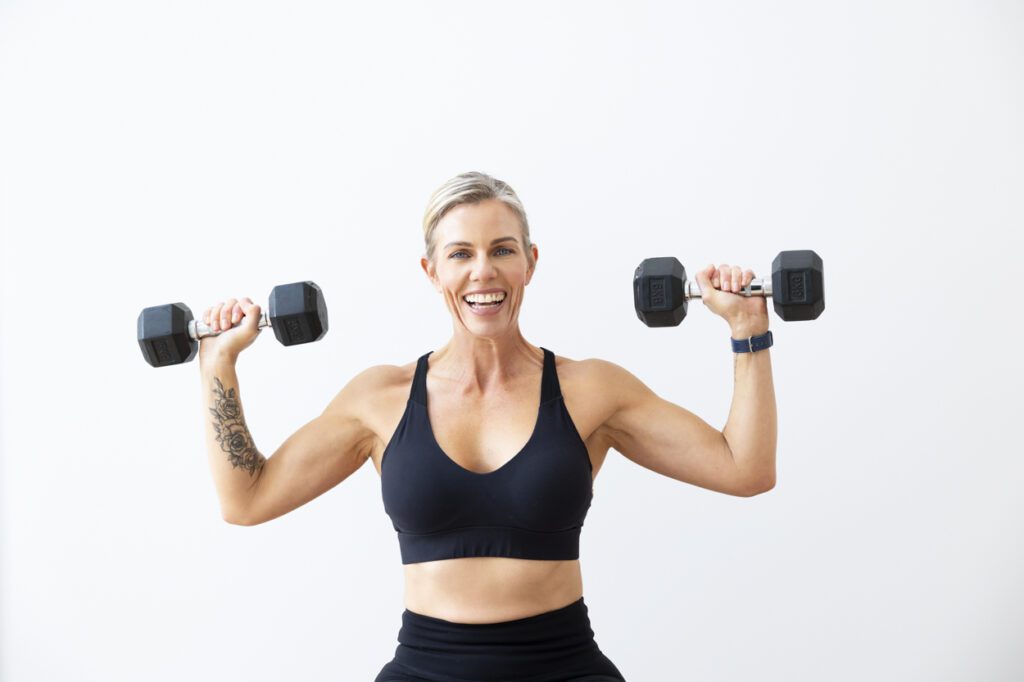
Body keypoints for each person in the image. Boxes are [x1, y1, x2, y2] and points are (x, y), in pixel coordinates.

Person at [196, 171, 777, 681]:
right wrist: (218, 363)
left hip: (564, 666)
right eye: (460, 254)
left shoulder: (591, 390)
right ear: (431, 270)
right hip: (424, 667)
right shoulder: (380, 398)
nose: (483, 272)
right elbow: (247, 499)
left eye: (502, 250)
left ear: (530, 261)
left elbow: (743, 469)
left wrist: (748, 331)